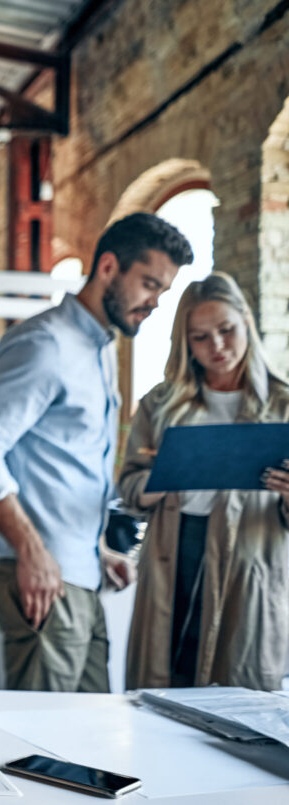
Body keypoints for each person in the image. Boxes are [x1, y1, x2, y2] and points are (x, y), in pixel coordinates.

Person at [0, 212, 192, 692]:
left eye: (162, 292)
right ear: (108, 268)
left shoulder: (97, 347)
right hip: (44, 569)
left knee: (87, 734)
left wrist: (95, 550)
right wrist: (33, 550)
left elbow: (61, 465)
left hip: (76, 570)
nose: (154, 303)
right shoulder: (46, 344)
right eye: (148, 284)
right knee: (45, 746)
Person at [119, 272, 289, 690]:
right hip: (173, 553)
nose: (217, 347)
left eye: (226, 330)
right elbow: (127, 488)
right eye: (200, 337)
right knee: (163, 686)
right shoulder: (159, 404)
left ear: (246, 322)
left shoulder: (283, 405)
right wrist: (166, 474)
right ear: (185, 342)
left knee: (237, 695)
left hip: (248, 560)